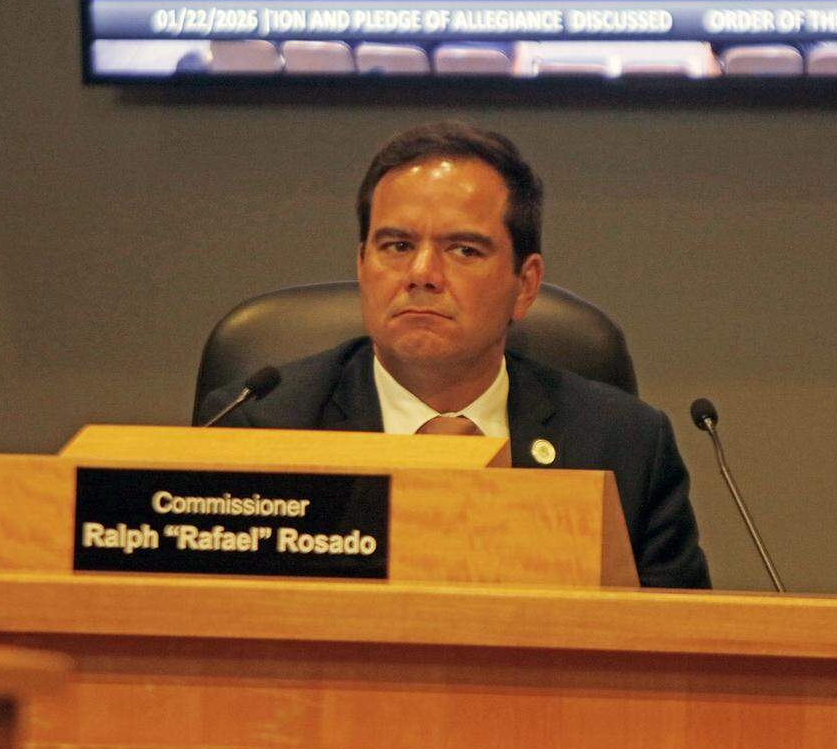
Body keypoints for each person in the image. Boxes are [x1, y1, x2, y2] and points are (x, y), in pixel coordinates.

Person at [199, 122, 710, 588]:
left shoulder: (627, 446)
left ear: (525, 285)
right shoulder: (260, 430)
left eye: (463, 250)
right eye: (396, 246)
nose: (422, 273)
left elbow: (684, 653)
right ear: (361, 265)